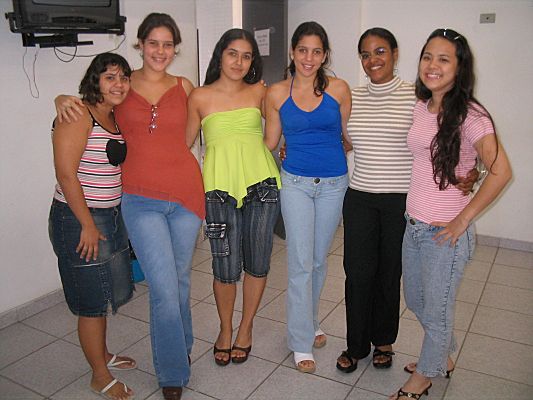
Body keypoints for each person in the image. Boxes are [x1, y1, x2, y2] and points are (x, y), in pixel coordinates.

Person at [55, 13, 205, 400]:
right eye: (153, 43)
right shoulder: (121, 86)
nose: (160, 51)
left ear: (175, 48)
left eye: (168, 44)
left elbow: (188, 138)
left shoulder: (185, 87)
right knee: (163, 288)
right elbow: (88, 106)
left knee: (180, 281)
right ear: (140, 44)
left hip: (186, 196)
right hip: (140, 199)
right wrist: (61, 99)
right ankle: (172, 373)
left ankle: (181, 346)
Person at [336, 28, 478, 374]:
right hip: (360, 197)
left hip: (400, 201)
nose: (373, 60)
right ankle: (356, 345)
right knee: (357, 274)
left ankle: (384, 342)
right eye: (365, 54)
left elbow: (449, 139)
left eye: (380, 51)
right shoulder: (352, 97)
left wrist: (473, 171)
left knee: (389, 274)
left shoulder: (416, 97)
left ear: (395, 54)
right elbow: (343, 140)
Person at [393, 28, 511, 399]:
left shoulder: (472, 115)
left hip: (444, 234)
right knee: (417, 300)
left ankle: (423, 377)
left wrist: (462, 220)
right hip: (413, 225)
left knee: (437, 309)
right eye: (427, 56)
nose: (432, 65)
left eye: (443, 59)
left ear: (459, 68)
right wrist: (470, 170)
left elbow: (502, 171)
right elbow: (435, 159)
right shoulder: (422, 106)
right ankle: (441, 352)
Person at [185, 28, 281, 366]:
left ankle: (246, 327)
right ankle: (225, 329)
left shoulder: (260, 92)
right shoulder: (199, 96)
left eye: (246, 56)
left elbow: (287, 120)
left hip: (261, 186)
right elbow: (183, 145)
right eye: (233, 54)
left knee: (257, 263)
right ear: (220, 55)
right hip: (218, 190)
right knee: (224, 267)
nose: (239, 62)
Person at [264, 21, 351, 373]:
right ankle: (300, 341)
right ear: (292, 52)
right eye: (303, 50)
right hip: (296, 183)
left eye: (316, 51)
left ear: (325, 55)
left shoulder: (339, 89)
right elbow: (270, 143)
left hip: (334, 183)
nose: (309, 58)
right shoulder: (276, 93)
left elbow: (348, 137)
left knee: (317, 260)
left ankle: (311, 320)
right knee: (300, 262)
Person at [48, 52, 135, 400]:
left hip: (109, 214)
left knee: (103, 290)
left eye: (124, 78)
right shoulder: (77, 113)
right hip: (78, 219)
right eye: (110, 77)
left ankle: (103, 354)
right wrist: (86, 224)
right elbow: (66, 174)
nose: (119, 84)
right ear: (95, 80)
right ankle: (99, 375)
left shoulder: (112, 115)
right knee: (91, 302)